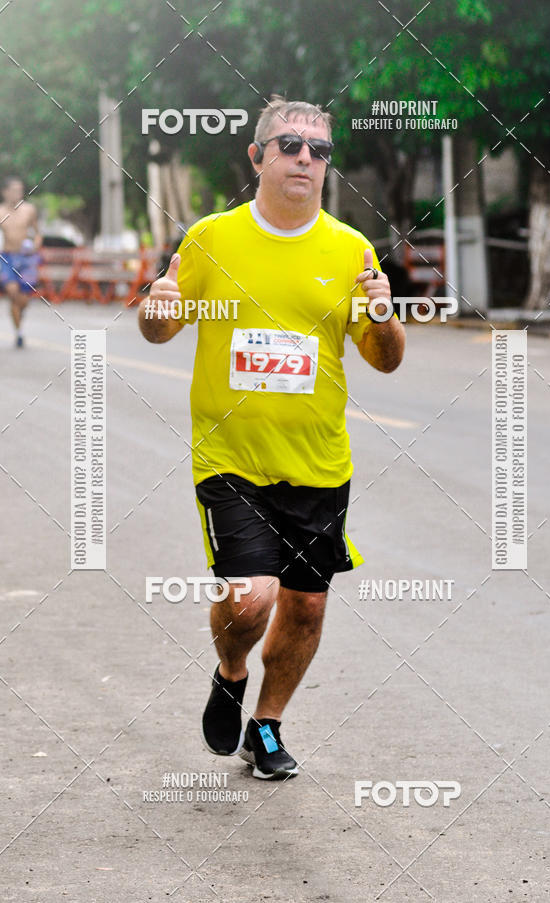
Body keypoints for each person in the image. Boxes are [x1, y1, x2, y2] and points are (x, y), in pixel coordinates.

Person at [139, 96, 406, 780]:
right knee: (250, 597)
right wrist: (158, 308)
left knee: (307, 605)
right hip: (231, 458)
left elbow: (385, 357)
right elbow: (159, 327)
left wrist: (385, 316)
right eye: (290, 144)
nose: (306, 159)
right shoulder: (211, 239)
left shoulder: (351, 250)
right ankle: (231, 669)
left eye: (319, 150)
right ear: (257, 157)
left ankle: (266, 725)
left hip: (319, 463)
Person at [0, 177, 42, 348]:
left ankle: (18, 315)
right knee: (12, 291)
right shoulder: (1, 211)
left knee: (23, 300)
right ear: (5, 192)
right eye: (14, 190)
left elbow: (37, 232)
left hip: (25, 258)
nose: (17, 193)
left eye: (20, 190)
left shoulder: (29, 210)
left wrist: (36, 245)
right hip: (6, 257)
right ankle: (19, 333)